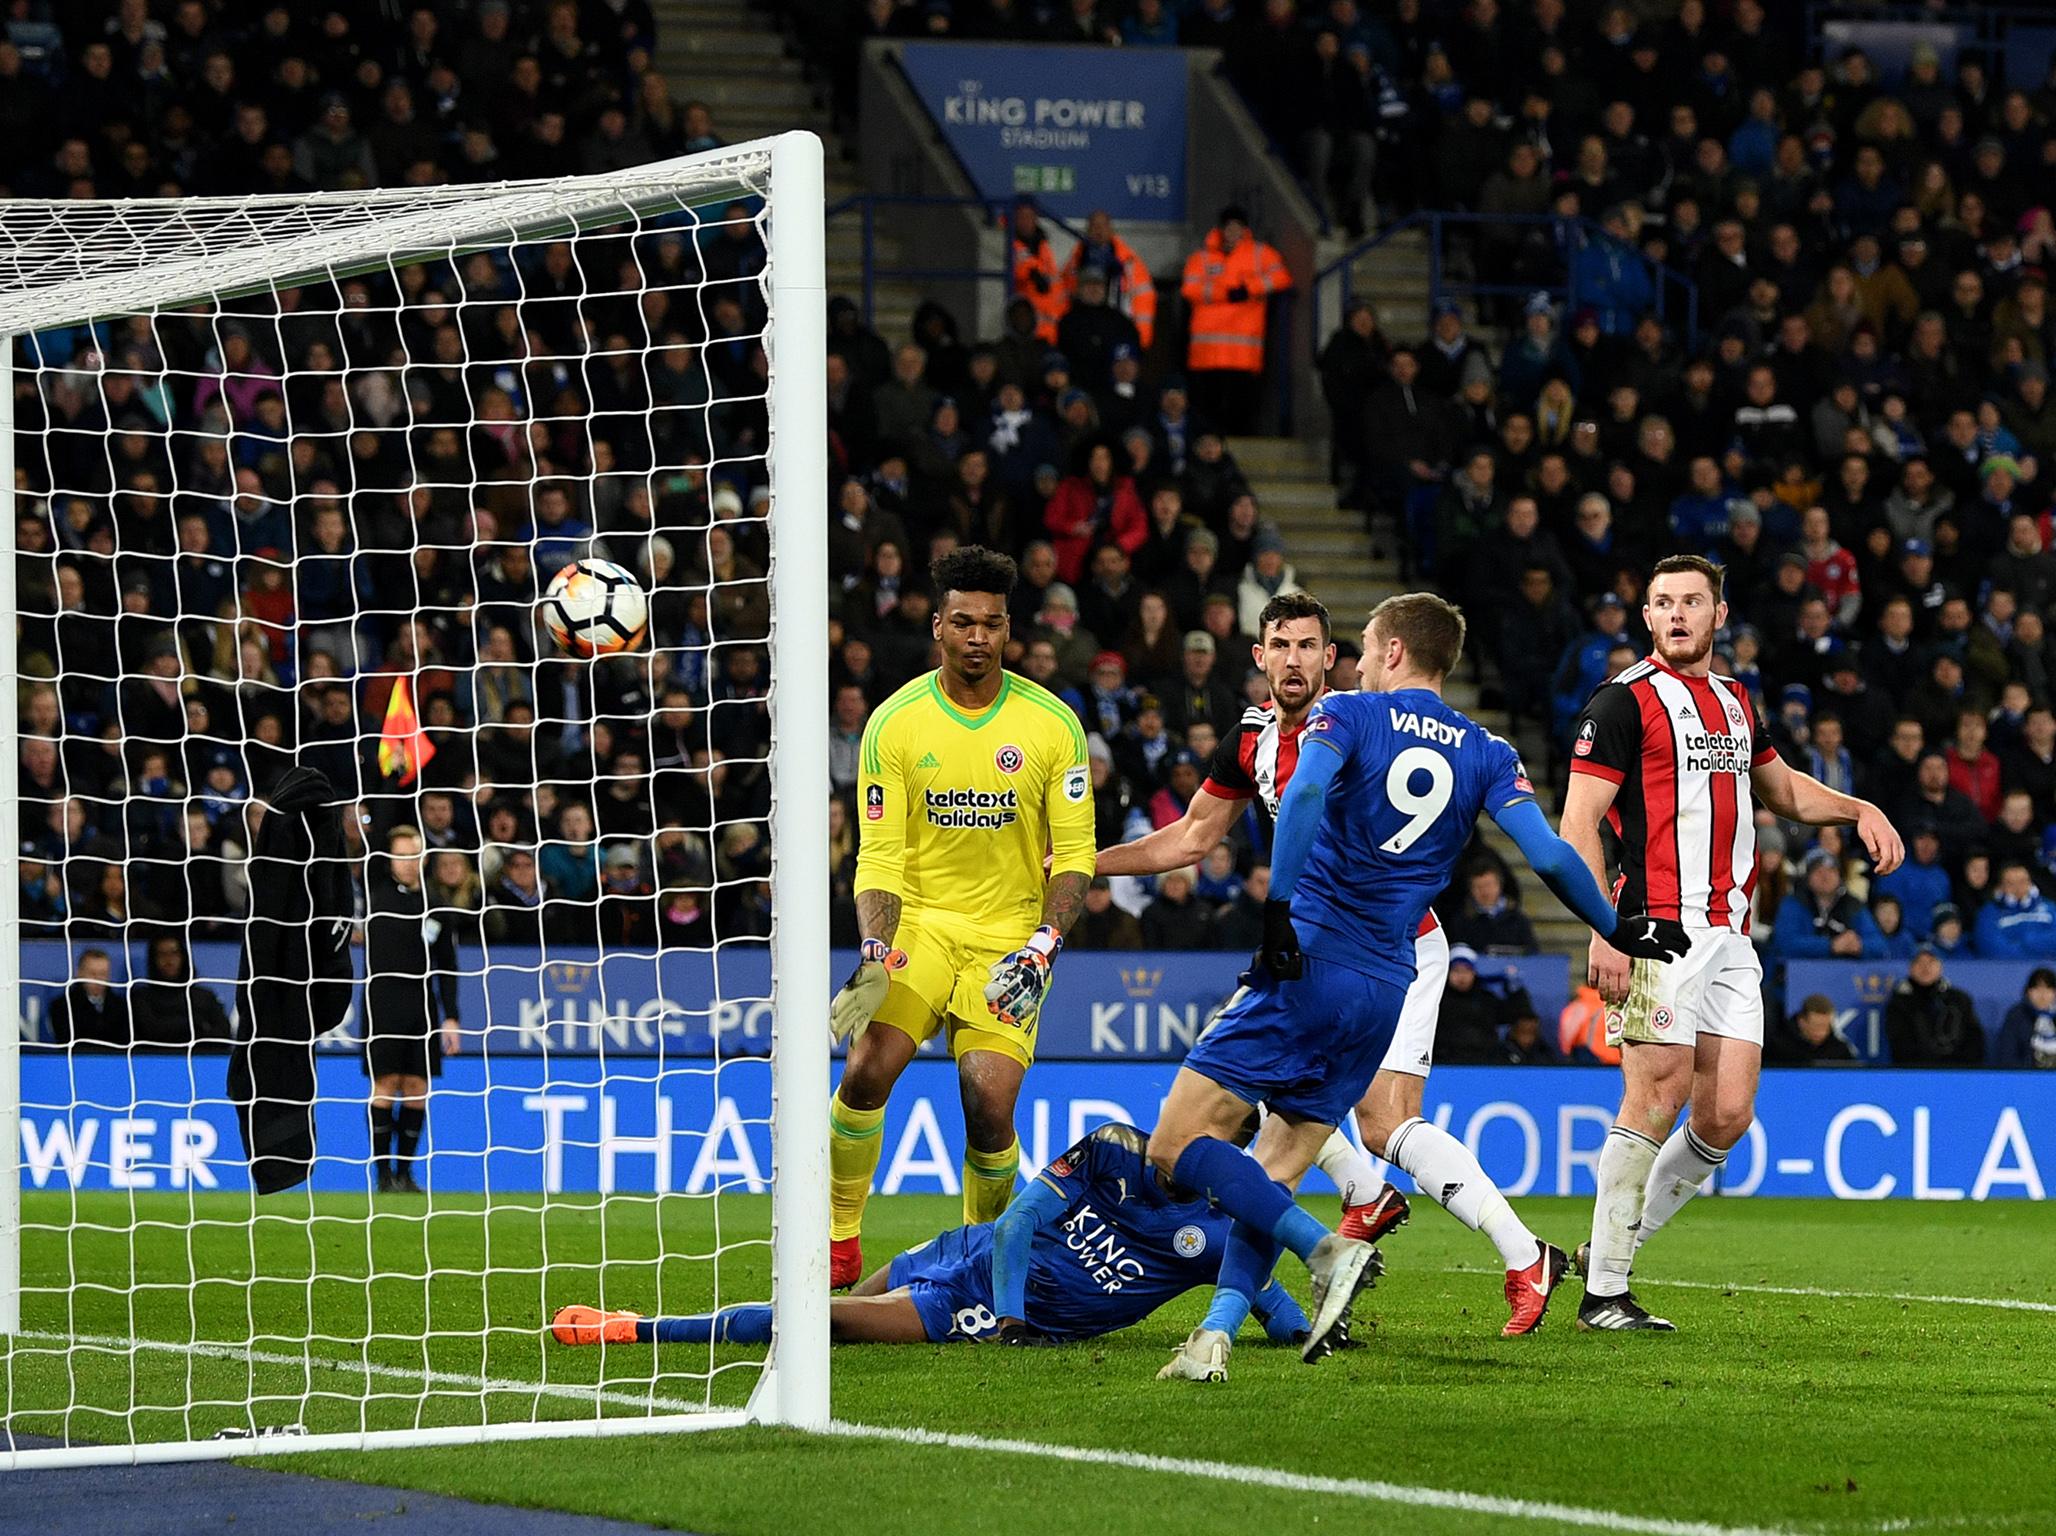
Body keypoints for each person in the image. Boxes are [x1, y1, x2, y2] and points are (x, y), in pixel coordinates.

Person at [1145, 592, 1687, 1382]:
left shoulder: (1352, 716)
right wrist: (1616, 922)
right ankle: (1214, 1339)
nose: (1356, 662)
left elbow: (1299, 797)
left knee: (1172, 1148)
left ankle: (1326, 1250)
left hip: (1313, 959)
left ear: (1394, 651)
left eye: (1364, 646)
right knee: (1272, 1171)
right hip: (1387, 983)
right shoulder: (1488, 752)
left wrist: (1279, 911)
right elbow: (1548, 856)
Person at [1097, 591, 1560, 1332]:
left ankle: (1514, 1251)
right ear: (1259, 657)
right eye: (1280, 645)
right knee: (1281, 1119)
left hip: (1397, 944)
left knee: (1382, 1122)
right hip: (1317, 944)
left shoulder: (1357, 720)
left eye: (1309, 647)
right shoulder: (1250, 740)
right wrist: (1086, 865)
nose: (1293, 660)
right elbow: (1187, 841)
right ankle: (1284, 1272)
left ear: (1332, 659)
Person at [1561, 554, 1904, 1331]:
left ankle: (1606, 1246)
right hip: (1653, 925)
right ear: (1645, 617)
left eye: (1691, 602)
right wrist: (1602, 928)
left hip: (1731, 934)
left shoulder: (1734, 700)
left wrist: (1857, 808)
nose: (1677, 614)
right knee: (1656, 1095)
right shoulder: (1620, 703)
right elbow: (1578, 822)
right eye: (1661, 603)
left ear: (1719, 615)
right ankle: (1603, 1292)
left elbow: (1780, 790)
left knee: (1724, 1114)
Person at [829, 547, 1098, 1288]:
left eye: (993, 624)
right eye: (964, 623)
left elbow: (1075, 853)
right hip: (919, 928)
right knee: (866, 1064)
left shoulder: (1052, 725)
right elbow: (878, 857)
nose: (978, 637)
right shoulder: (895, 723)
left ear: (1008, 630)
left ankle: (980, 1256)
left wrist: (1043, 945)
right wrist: (875, 953)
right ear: (939, 628)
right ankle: (839, 1238)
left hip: (1008, 940)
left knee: (988, 1103)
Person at [551, 1124, 1308, 1349]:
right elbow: (1015, 1220)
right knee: (833, 1300)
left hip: (976, 1309)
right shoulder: (1113, 1147)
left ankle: (632, 1329)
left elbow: (1261, 1291)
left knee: (822, 1326)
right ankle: (645, 1326)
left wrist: (1308, 1330)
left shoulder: (1214, 1233)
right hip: (976, 1261)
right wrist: (1012, 1314)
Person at [362, 825, 462, 1194]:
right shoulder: (378, 893)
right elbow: (375, 833)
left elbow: (448, 965)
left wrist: (451, 1016)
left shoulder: (436, 905)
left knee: (418, 1088)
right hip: (382, 1002)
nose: (407, 862)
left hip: (421, 1006)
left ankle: (405, 1173)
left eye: (413, 854)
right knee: (385, 1084)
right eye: (400, 854)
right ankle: (382, 1175)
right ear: (388, 859)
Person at [1179, 205, 1292, 435]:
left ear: (1244, 229)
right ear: (1221, 229)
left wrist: (1250, 288)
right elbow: (1189, 289)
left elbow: (1282, 278)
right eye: (1228, 227)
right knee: (1208, 409)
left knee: (1241, 410)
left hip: (1243, 355)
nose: (1232, 232)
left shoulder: (1260, 254)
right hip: (1207, 355)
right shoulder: (1200, 258)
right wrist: (1229, 293)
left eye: (1237, 227)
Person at [1769, 847, 1885, 960]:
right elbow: (1786, 943)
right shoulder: (1793, 904)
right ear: (1807, 877)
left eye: (1831, 871)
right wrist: (1830, 946)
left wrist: (1859, 946)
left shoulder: (1853, 905)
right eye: (1818, 871)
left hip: (1844, 974)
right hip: (1799, 974)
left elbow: (1880, 945)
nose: (1825, 876)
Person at [1884, 944, 1983, 1065]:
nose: (1925, 968)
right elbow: (1900, 1045)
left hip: (1957, 1072)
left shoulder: (1959, 999)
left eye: (1931, 962)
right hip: (1915, 1073)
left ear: (1940, 966)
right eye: (1919, 962)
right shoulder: (1898, 1003)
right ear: (1910, 968)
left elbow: (1974, 1039)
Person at [46, 946, 128, 1049]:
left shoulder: (122, 1006)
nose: (98, 979)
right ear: (79, 973)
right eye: (92, 974)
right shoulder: (62, 1006)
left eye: (103, 974)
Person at [1972, 862, 2056, 958]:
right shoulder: (1988, 913)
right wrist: (2033, 950)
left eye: (2022, 881)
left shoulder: (2050, 907)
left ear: (2030, 882)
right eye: (2010, 883)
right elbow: (1992, 949)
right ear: (2001, 886)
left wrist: (2028, 940)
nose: (2018, 888)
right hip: (2005, 970)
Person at [1765, 993, 1858, 1064]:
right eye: (1816, 1026)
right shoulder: (1779, 1047)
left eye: (1825, 1027)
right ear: (1802, 1022)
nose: (1821, 1032)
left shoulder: (1839, 1051)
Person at [1995, 966, 2056, 1069]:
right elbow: (2007, 1055)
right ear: (2028, 992)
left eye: (2048, 989)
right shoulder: (2016, 1016)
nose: (2042, 995)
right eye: (2036, 989)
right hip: (2026, 1078)